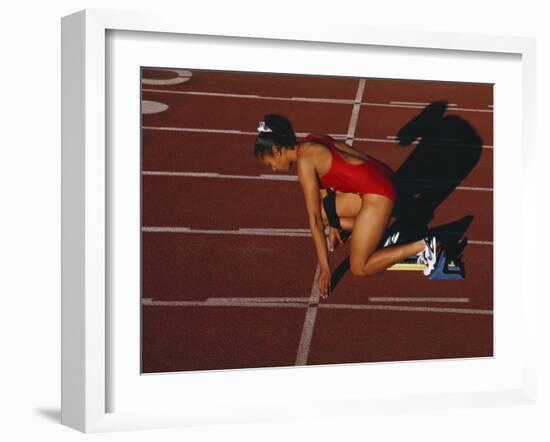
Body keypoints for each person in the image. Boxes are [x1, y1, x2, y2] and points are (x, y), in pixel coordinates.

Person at [254, 114, 437, 299]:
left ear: (277, 150)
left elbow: (315, 220)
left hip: (379, 193)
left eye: (270, 164)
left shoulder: (304, 163)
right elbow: (323, 192)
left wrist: (325, 269)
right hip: (382, 179)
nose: (274, 169)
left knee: (359, 267)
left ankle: (424, 246)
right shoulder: (312, 140)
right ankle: (374, 232)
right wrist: (333, 225)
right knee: (327, 214)